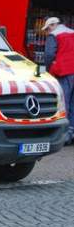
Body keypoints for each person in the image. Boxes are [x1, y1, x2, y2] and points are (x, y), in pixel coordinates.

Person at [43, 16, 74, 145]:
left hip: (64, 71)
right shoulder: (72, 32)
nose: (48, 31)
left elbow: (49, 54)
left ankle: (64, 134)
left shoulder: (54, 36)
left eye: (48, 28)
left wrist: (49, 69)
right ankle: (72, 131)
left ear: (53, 25)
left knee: (63, 103)